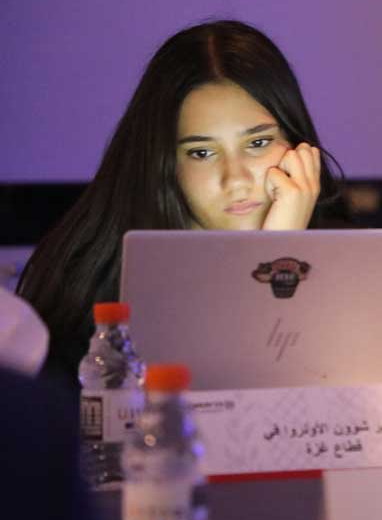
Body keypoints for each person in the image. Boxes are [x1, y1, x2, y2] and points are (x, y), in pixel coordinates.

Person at [17, 20, 349, 389]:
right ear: (163, 162)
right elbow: (220, 410)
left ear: (298, 146)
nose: (235, 179)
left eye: (257, 144)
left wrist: (285, 249)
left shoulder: (352, 267)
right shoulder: (94, 283)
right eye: (202, 152)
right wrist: (276, 251)